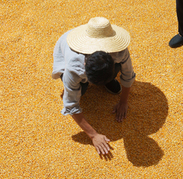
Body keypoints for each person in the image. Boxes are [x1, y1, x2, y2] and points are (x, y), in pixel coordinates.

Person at [52, 17, 135, 155]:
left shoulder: (119, 51)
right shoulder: (74, 67)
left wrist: (124, 101)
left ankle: (106, 80)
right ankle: (89, 83)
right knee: (81, 91)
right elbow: (71, 104)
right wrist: (93, 135)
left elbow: (128, 74)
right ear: (85, 69)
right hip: (67, 56)